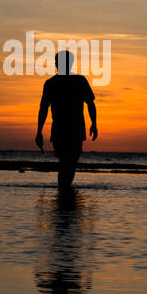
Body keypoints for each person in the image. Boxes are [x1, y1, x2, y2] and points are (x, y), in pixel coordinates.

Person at [34, 50, 98, 190]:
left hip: (73, 128)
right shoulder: (51, 83)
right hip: (63, 128)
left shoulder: (79, 80)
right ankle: (64, 193)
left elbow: (90, 103)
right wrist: (38, 131)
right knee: (67, 161)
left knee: (69, 161)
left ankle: (63, 191)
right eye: (57, 62)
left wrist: (94, 124)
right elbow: (43, 108)